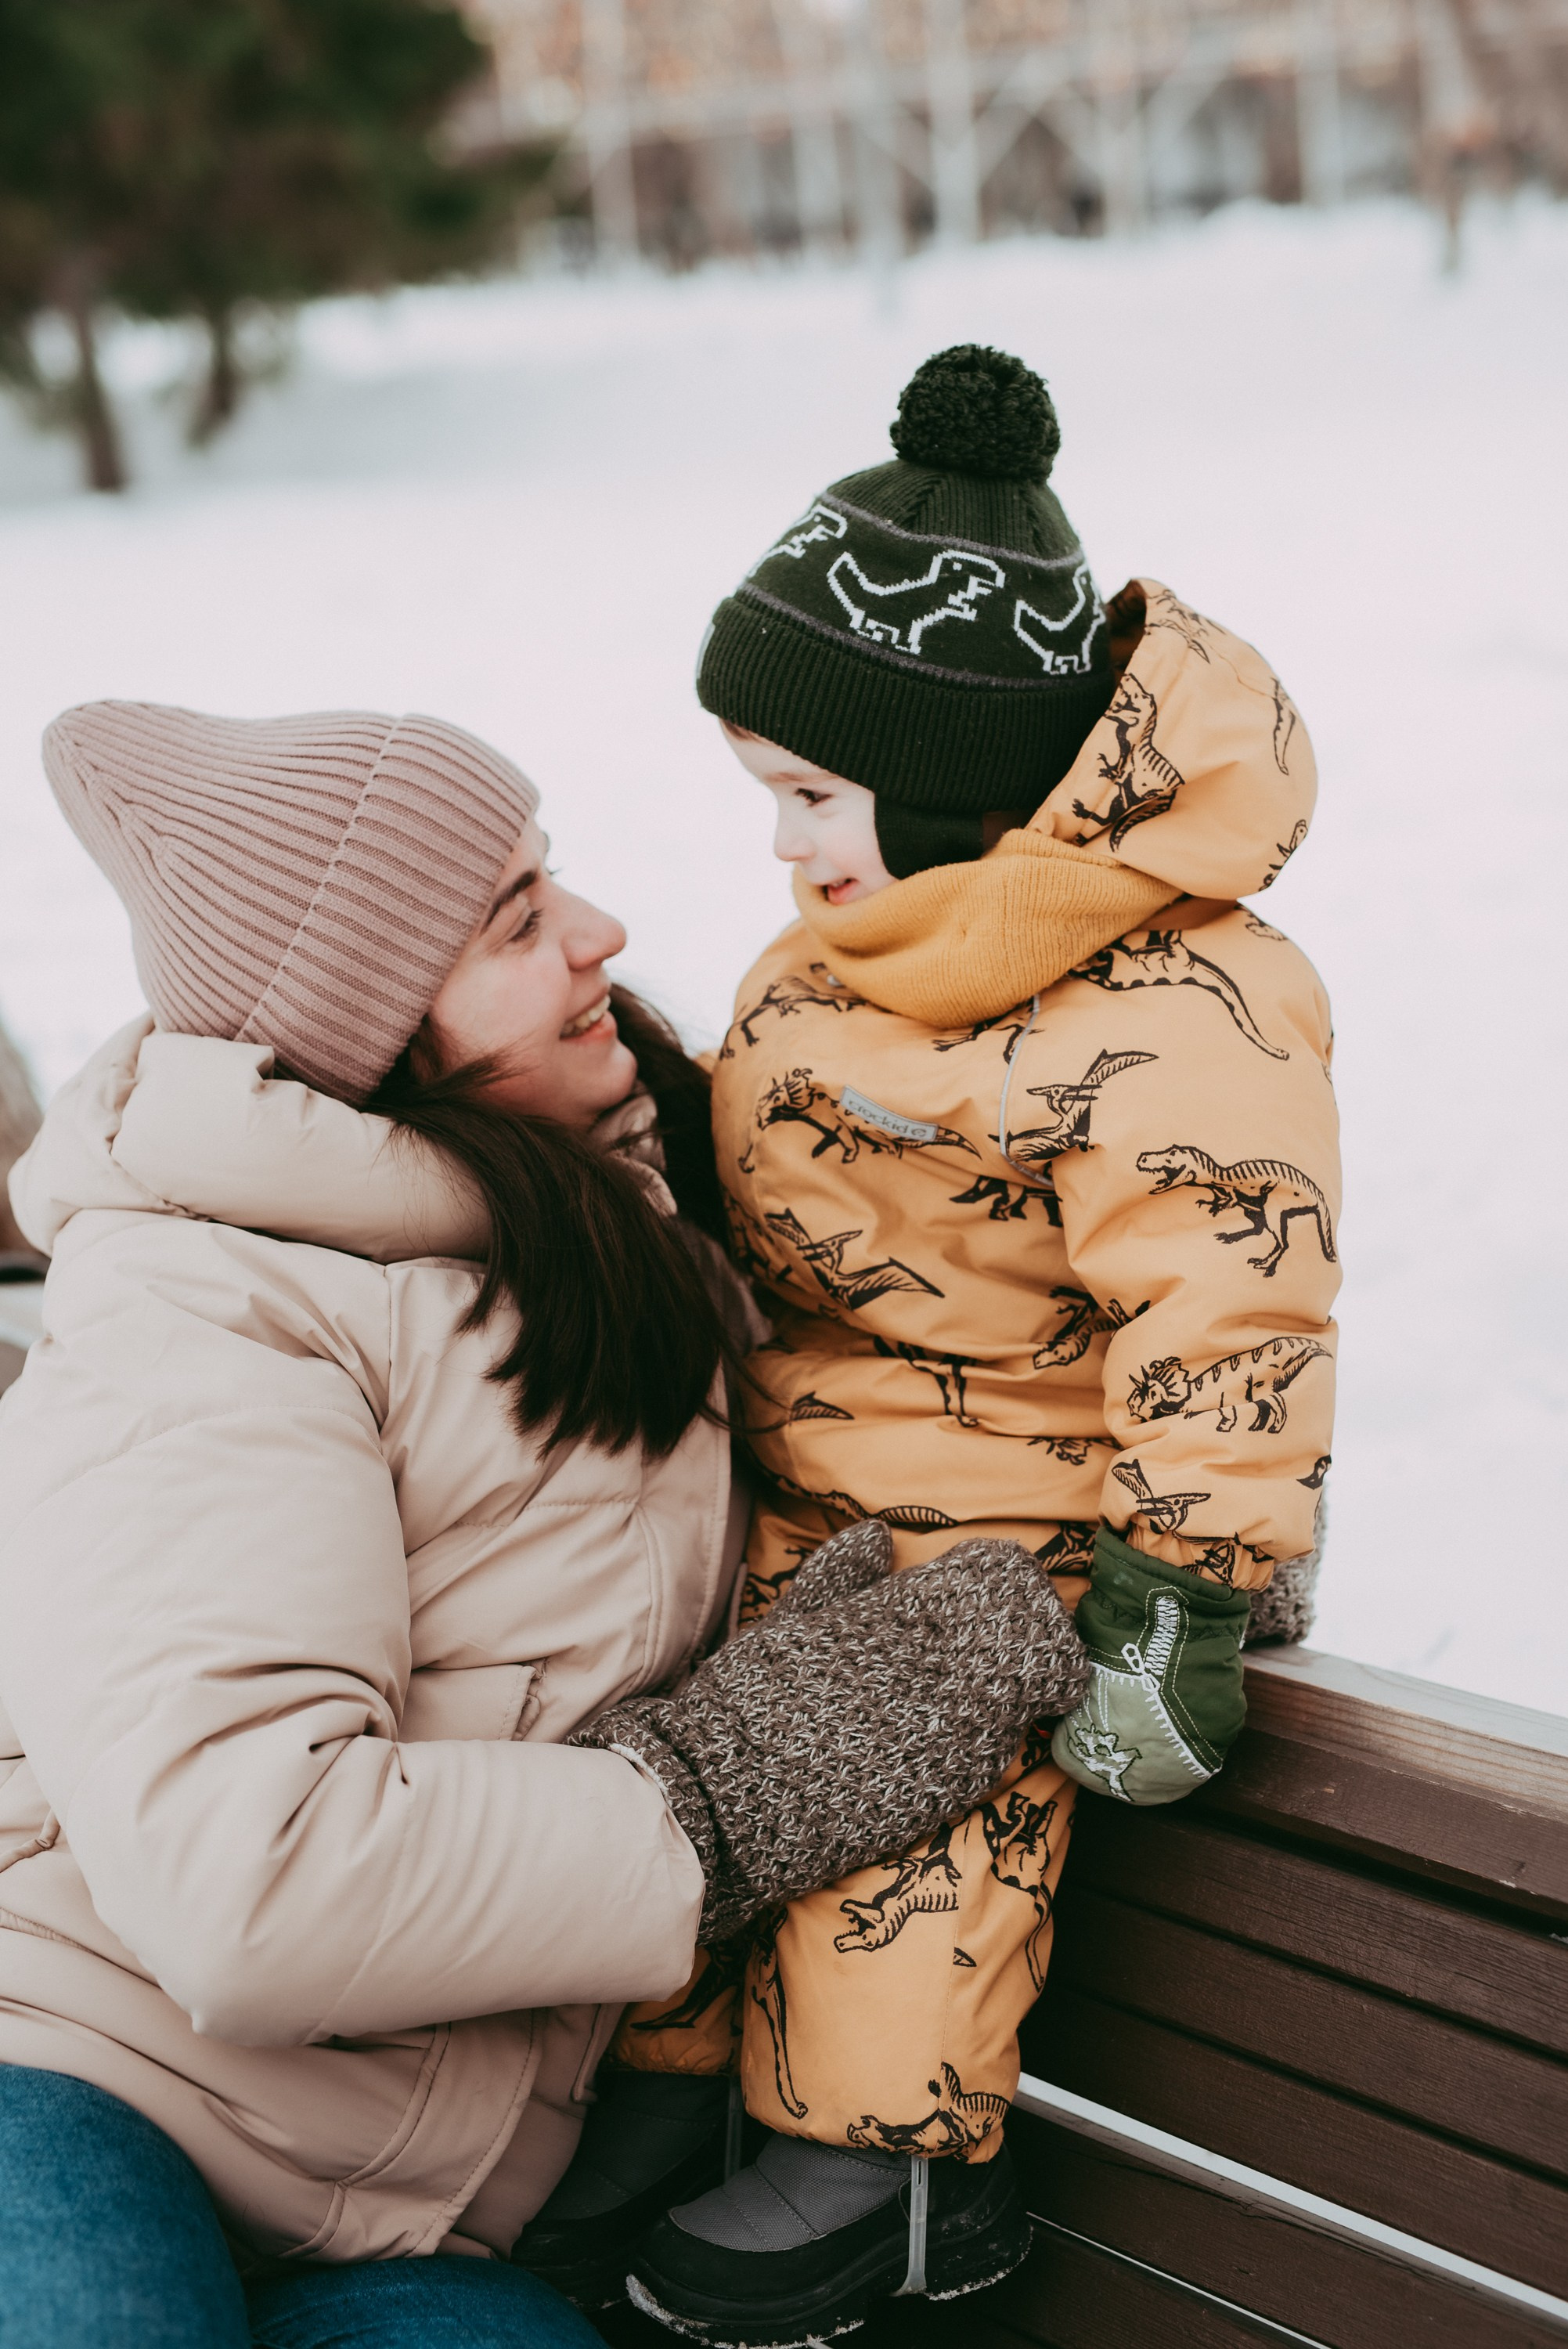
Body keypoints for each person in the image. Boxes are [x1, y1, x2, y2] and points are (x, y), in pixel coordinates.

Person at [0, 700, 1089, 2349]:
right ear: (371, 1031)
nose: (601, 933)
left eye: (551, 880)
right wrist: (716, 1802)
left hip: (414, 2207)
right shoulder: (205, 1299)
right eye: (516, 922)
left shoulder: (601, 1219)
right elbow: (248, 1880)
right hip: (71, 2078)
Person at [562, 346, 1340, 2346]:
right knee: (703, 1747)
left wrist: (1183, 1597)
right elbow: (771, 1180)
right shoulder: (835, 949)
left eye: (809, 797)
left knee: (906, 1809)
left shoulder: (1181, 1008)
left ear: (945, 778)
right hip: (808, 1477)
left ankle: (891, 2171)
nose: (779, 845)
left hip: (1030, 1537)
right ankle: (673, 2090)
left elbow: (1231, 1305)